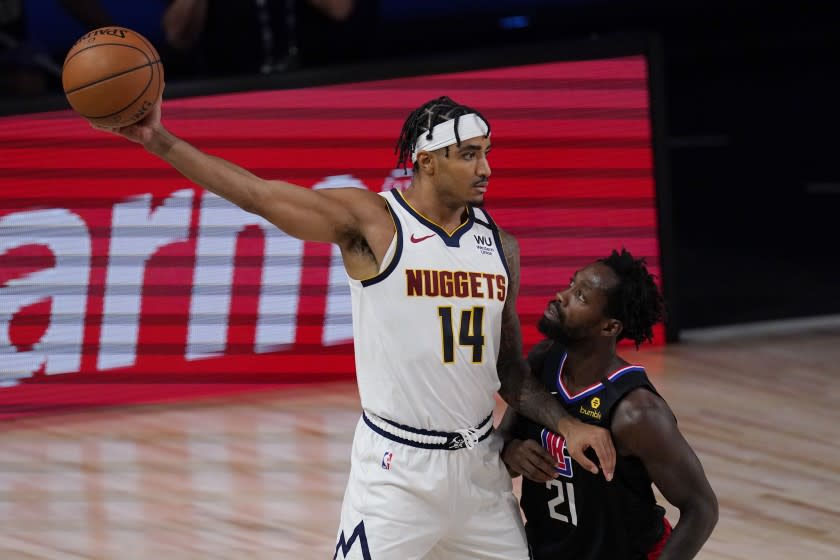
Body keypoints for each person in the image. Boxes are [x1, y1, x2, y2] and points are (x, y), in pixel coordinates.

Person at [91, 93, 616, 559]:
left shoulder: (501, 247)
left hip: (480, 472)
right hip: (396, 473)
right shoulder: (374, 224)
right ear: (427, 162)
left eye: (487, 153)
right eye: (469, 154)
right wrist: (159, 140)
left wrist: (567, 425)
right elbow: (258, 194)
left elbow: (509, 371)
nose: (486, 168)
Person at [499, 249, 718, 559]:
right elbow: (503, 439)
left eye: (582, 297)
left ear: (610, 327)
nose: (562, 295)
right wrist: (512, 453)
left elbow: (702, 509)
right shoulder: (545, 360)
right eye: (571, 284)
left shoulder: (636, 411)